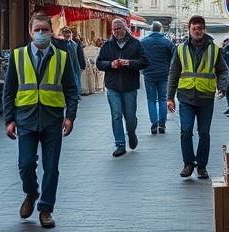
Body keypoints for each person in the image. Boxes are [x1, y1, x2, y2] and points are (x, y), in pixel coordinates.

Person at [3, 13, 79, 229]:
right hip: (25, 119)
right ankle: (31, 192)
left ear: (51, 32)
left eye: (45, 29)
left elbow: (72, 89)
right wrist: (9, 119)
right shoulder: (18, 56)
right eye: (37, 29)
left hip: (52, 119)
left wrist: (70, 116)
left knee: (51, 167)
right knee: (25, 164)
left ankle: (45, 209)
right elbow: (9, 90)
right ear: (30, 31)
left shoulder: (62, 56)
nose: (41, 33)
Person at [167, 15, 229, 180]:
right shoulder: (181, 49)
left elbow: (223, 70)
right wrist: (169, 97)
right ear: (190, 30)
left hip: (205, 97)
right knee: (186, 130)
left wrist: (222, 87)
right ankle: (188, 164)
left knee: (204, 133)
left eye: (200, 28)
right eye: (194, 29)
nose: (197, 31)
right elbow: (173, 74)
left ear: (204, 29)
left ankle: (201, 166)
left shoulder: (214, 49)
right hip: (186, 97)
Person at [96, 18, 147, 157]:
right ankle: (120, 144)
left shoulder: (135, 44)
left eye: (119, 28)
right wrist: (111, 65)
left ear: (125, 28)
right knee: (116, 115)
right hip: (112, 85)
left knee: (130, 118)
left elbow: (144, 61)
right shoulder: (107, 45)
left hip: (129, 85)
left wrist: (128, 63)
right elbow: (99, 63)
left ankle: (131, 133)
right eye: (114, 29)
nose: (117, 32)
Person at [139, 21, 175, 134]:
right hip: (163, 74)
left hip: (149, 74)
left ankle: (154, 123)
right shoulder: (167, 42)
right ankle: (162, 124)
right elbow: (174, 57)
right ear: (160, 29)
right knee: (162, 99)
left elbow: (139, 56)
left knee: (151, 100)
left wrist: (142, 69)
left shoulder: (143, 42)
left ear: (151, 29)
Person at [57, 27, 86, 95]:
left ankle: (76, 93)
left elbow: (79, 54)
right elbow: (80, 54)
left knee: (75, 78)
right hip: (72, 64)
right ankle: (76, 92)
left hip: (74, 64)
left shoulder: (73, 44)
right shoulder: (71, 44)